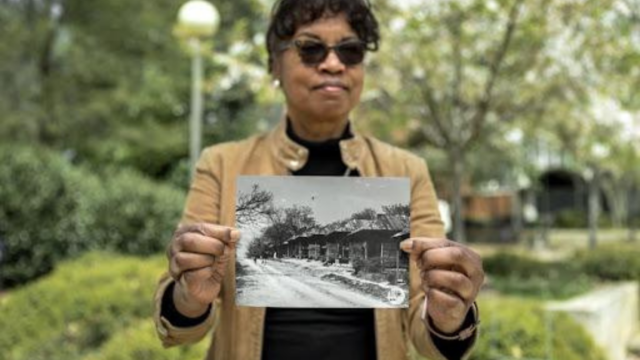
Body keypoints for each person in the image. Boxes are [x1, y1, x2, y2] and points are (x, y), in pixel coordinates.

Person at [153, 0, 485, 359]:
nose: (333, 63)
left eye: (351, 50)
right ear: (274, 64)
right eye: (310, 49)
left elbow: (427, 327)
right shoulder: (221, 165)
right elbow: (181, 328)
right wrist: (189, 297)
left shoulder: (406, 170)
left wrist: (450, 314)